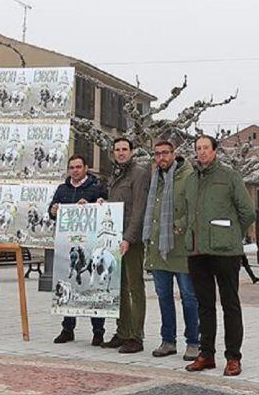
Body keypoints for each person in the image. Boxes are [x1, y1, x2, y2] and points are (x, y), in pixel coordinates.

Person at [183, 135, 256, 377]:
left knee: (230, 304)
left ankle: (233, 357)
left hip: (225, 252)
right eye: (198, 148)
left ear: (215, 151)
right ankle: (207, 355)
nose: (202, 152)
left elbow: (247, 212)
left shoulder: (229, 176)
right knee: (204, 305)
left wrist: (232, 234)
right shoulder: (191, 180)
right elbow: (186, 212)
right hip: (197, 251)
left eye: (206, 148)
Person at [142, 141, 200, 361]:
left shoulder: (188, 176)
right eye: (157, 154)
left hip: (180, 246)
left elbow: (196, 207)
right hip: (159, 247)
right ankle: (168, 341)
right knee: (164, 296)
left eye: (165, 153)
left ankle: (193, 342)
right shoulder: (155, 178)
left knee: (188, 297)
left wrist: (180, 224)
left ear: (174, 154)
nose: (161, 158)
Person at [48, 154, 108, 346]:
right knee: (67, 284)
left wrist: (92, 206)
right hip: (68, 245)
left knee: (92, 285)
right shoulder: (62, 189)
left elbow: (106, 209)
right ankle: (67, 329)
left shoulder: (97, 187)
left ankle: (98, 332)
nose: (75, 170)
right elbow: (51, 213)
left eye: (78, 167)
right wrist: (53, 211)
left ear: (86, 168)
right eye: (72, 167)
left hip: (90, 245)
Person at [101, 137, 150, 354]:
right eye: (117, 149)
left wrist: (129, 238)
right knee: (119, 288)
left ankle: (135, 336)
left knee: (135, 288)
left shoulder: (139, 173)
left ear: (131, 151)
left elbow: (139, 208)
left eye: (124, 149)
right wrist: (104, 205)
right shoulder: (115, 174)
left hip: (131, 240)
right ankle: (122, 332)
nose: (121, 153)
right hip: (115, 239)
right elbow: (117, 206)